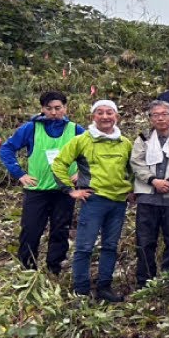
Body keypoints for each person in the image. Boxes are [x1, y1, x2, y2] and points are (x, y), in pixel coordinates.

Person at [52, 100, 133, 302]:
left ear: (116, 116)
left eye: (109, 113)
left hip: (118, 202)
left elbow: (132, 170)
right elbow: (59, 164)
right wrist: (71, 191)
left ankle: (104, 288)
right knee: (84, 247)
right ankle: (81, 290)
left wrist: (131, 189)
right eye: (100, 113)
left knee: (110, 246)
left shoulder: (125, 142)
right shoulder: (82, 140)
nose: (105, 117)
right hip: (94, 200)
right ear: (93, 117)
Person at [1, 91, 85, 276]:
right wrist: (19, 173)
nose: (54, 112)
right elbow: (7, 149)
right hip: (36, 191)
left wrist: (81, 173)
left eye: (58, 108)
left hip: (64, 191)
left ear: (65, 108)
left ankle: (54, 269)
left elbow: (93, 153)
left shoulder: (75, 130)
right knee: (30, 230)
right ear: (42, 109)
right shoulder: (30, 128)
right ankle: (28, 271)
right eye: (49, 108)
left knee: (60, 231)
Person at [130, 100, 169, 288]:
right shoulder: (143, 139)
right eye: (155, 115)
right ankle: (145, 283)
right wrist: (153, 180)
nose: (160, 118)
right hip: (148, 197)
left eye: (164, 114)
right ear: (150, 119)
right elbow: (136, 163)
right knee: (145, 241)